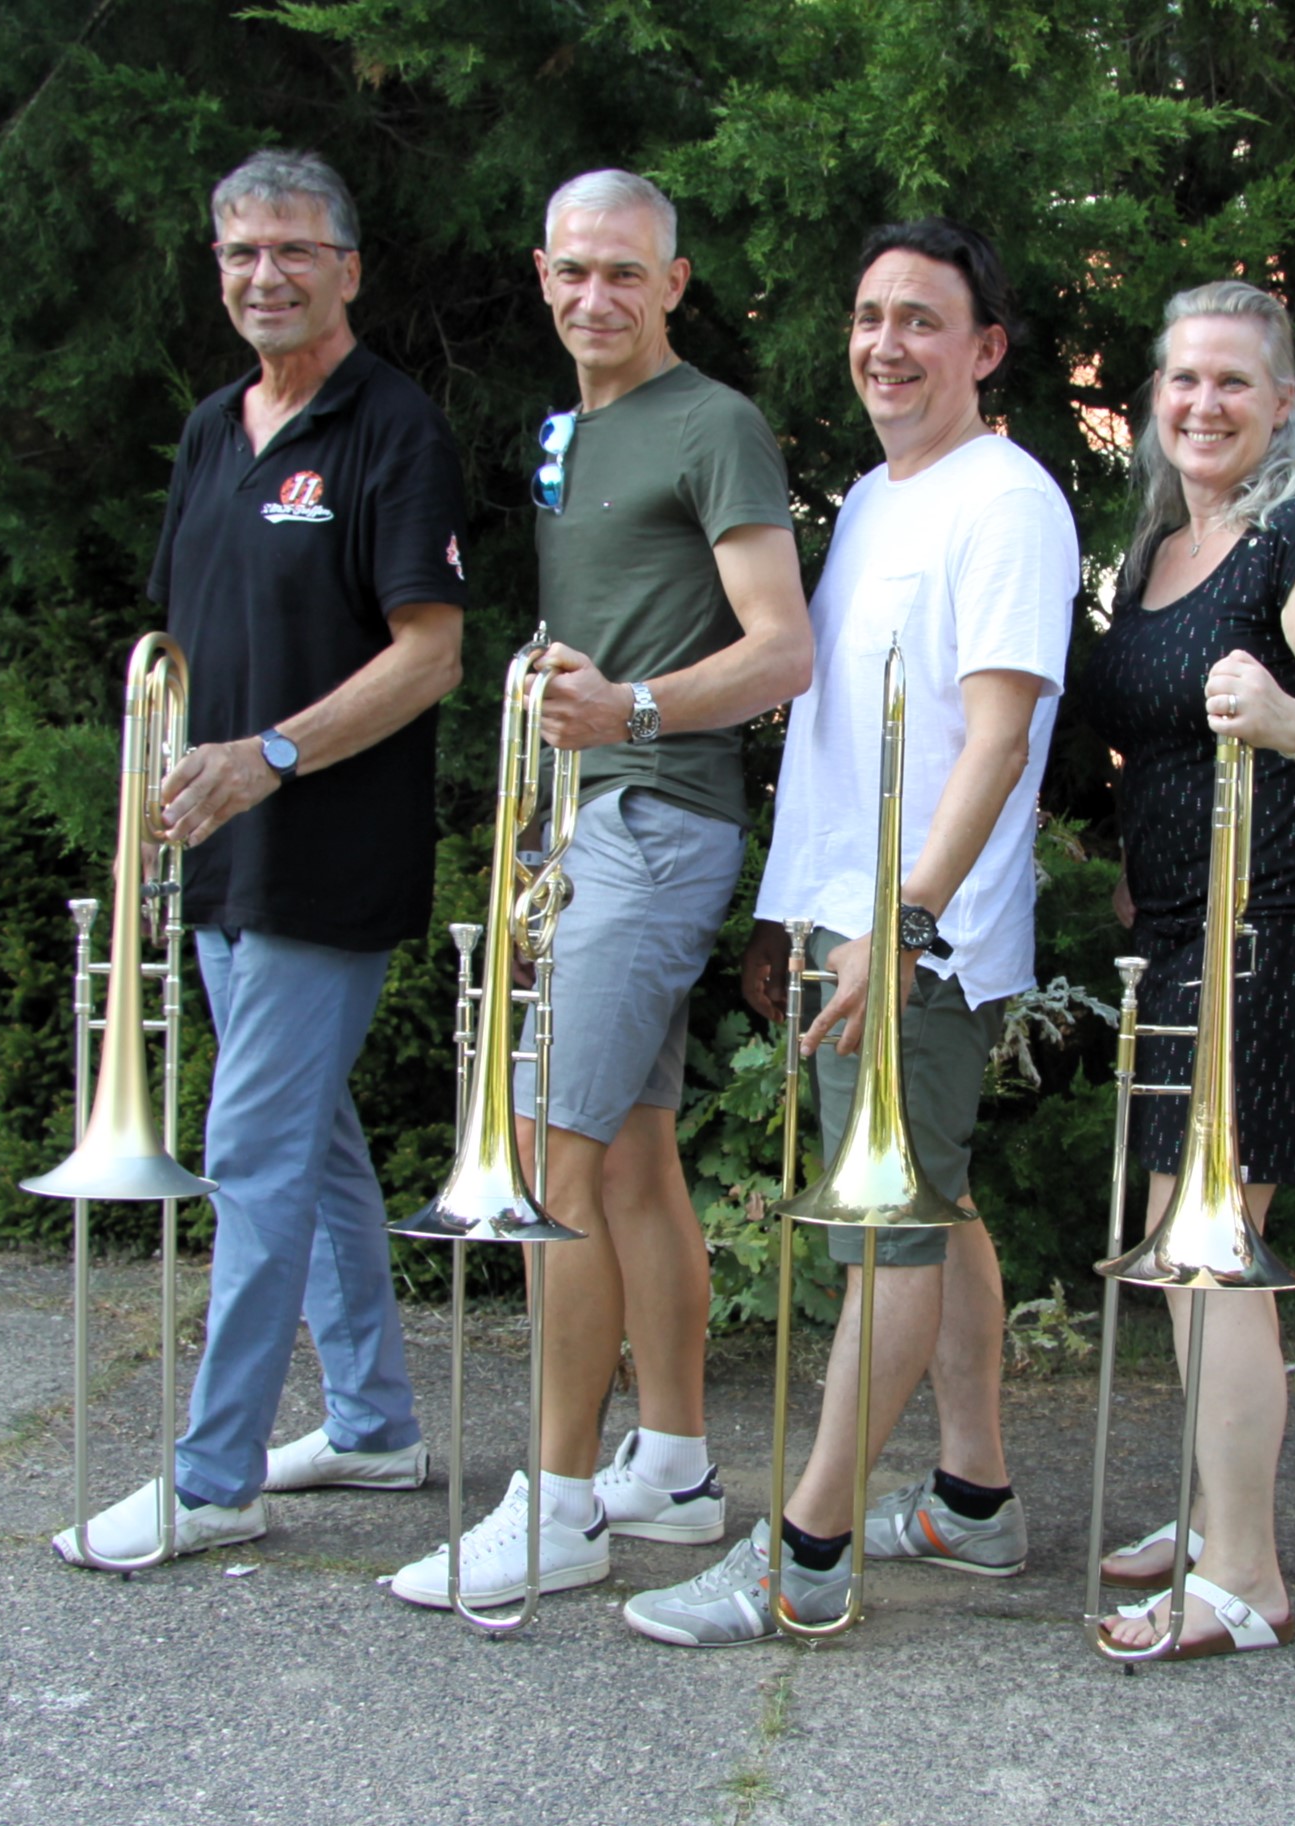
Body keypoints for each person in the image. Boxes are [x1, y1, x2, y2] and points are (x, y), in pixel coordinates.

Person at [624, 217, 1076, 1646]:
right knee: (932, 1201)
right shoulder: (884, 496)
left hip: (918, 938)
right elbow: (841, 733)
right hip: (848, 921)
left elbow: (998, 739)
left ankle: (804, 1551)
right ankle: (974, 1499)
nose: (888, 343)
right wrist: (790, 912)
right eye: (871, 316)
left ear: (985, 350)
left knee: (887, 1230)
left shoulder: (1007, 502)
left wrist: (905, 922)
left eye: (922, 320)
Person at [384, 172, 813, 1607]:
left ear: (674, 283)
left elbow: (783, 649)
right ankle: (673, 1467)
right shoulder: (566, 431)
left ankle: (557, 1506)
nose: (596, 297)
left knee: (545, 1160)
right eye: (574, 272)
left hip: (651, 822)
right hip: (579, 827)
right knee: (628, 1154)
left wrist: (627, 709)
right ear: (541, 274)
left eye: (626, 272)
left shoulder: (715, 422)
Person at [55, 149, 465, 1564]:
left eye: (294, 250)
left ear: (347, 268)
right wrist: (168, 797)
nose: (265, 276)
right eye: (240, 252)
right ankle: (373, 1425)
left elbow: (431, 655)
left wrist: (269, 757)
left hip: (324, 857)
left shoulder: (393, 428)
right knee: (313, 1142)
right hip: (220, 853)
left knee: (250, 1151)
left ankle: (214, 1475)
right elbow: (183, 645)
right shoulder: (209, 429)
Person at [1080, 282, 1295, 1657]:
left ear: (1282, 403)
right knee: (1181, 1243)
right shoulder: (1160, 546)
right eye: (1183, 380)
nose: (1204, 404)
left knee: (1205, 1239)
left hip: (1272, 921)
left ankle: (1248, 1577)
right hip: (1176, 925)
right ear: (1154, 399)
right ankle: (1214, 1512)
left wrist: (1292, 722)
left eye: (1235, 382)